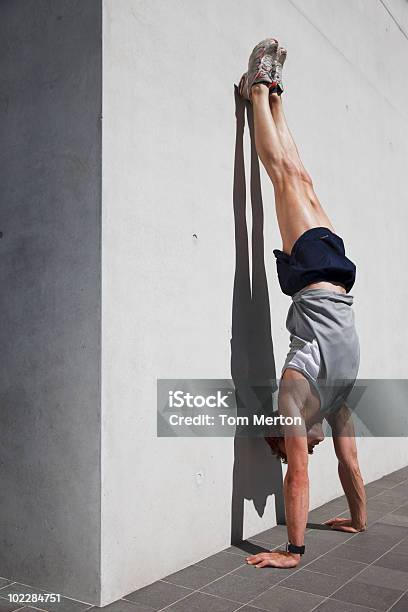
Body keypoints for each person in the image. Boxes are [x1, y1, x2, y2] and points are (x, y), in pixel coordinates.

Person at [238, 39, 367, 569]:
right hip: (335, 269)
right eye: (308, 443)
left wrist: (293, 551)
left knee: (282, 175)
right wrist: (358, 519)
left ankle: (259, 91)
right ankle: (277, 96)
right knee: (302, 176)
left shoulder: (294, 390)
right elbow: (350, 466)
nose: (306, 445)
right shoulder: (336, 404)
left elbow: (298, 474)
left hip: (315, 276)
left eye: (297, 441)